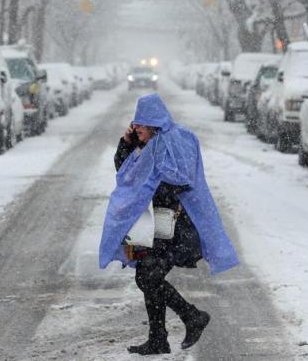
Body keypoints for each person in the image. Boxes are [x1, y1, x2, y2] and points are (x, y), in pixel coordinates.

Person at [99, 93, 239, 356]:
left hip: (177, 225)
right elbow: (125, 171)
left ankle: (191, 317)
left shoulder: (175, 139)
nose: (136, 127)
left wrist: (151, 187)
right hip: (155, 225)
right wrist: (127, 144)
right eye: (134, 123)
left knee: (148, 276)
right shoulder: (146, 145)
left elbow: (181, 179)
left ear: (153, 122)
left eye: (140, 123)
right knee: (147, 274)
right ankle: (160, 337)